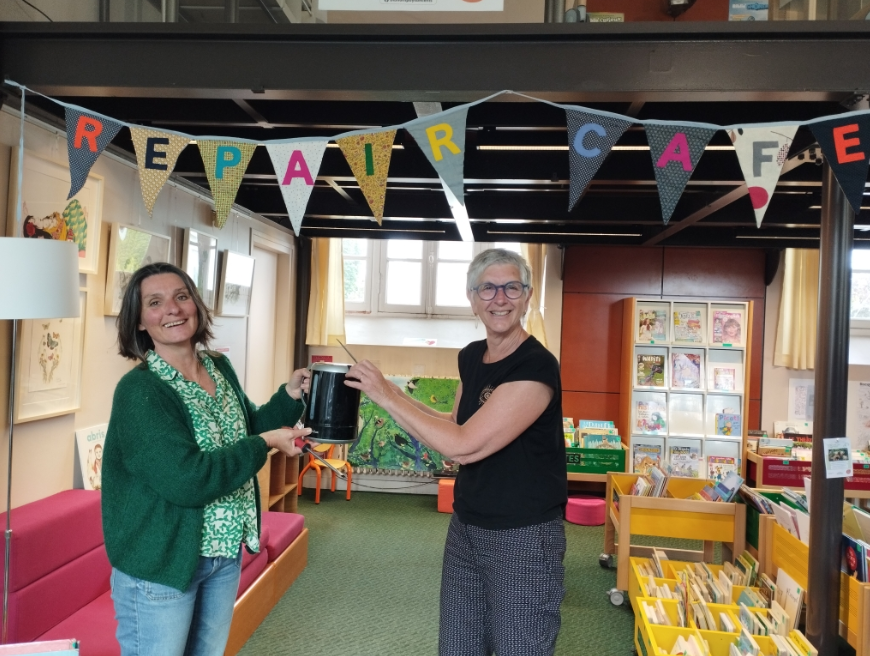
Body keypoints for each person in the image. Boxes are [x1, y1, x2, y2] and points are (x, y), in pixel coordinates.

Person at [345, 248, 567, 656]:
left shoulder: (536, 367)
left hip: (522, 534)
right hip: (467, 525)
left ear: (527, 296)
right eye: (487, 288)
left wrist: (387, 397)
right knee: (458, 646)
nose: (499, 299)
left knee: (520, 648)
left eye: (511, 288)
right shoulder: (471, 356)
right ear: (472, 298)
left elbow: (464, 446)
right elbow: (454, 423)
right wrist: (387, 390)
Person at [102, 262, 312, 656]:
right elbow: (187, 480)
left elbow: (247, 430)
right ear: (140, 321)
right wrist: (266, 441)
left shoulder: (218, 367)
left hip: (223, 553)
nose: (173, 309)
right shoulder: (140, 392)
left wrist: (290, 396)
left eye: (181, 296)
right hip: (164, 562)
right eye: (155, 302)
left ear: (196, 305)